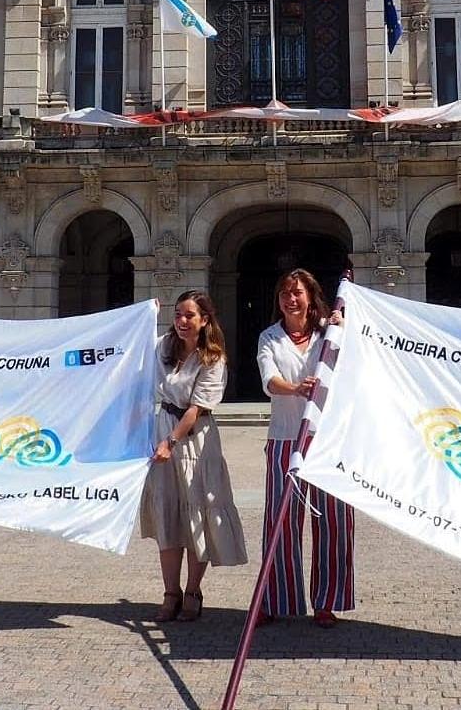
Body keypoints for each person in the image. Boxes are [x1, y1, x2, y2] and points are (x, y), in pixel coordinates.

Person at [254, 269, 355, 628]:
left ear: (310, 297)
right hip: (285, 437)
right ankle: (274, 597)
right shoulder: (270, 337)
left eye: (297, 293)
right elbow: (269, 379)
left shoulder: (330, 335)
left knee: (334, 522)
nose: (290, 299)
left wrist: (346, 321)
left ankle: (327, 601)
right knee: (280, 522)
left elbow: (358, 359)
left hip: (327, 442)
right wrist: (295, 388)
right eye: (284, 293)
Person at [139, 290, 248, 621]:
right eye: (177, 315)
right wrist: (142, 318)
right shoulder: (163, 347)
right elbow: (132, 349)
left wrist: (169, 442)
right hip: (164, 430)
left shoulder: (213, 359)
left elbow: (197, 408)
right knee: (167, 515)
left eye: (189, 315)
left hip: (195, 440)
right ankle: (170, 592)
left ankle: (192, 591)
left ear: (204, 320)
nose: (182, 321)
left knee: (195, 514)